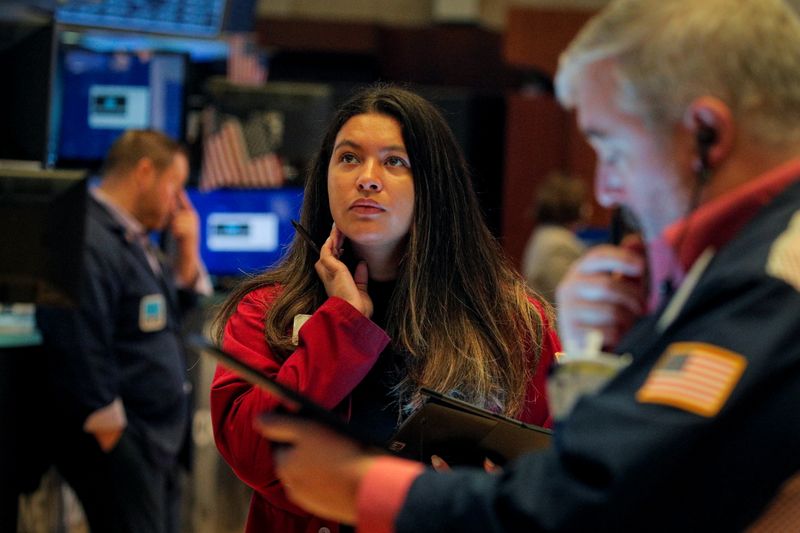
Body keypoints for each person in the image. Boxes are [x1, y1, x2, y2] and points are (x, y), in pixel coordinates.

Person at [252, 0, 800, 531]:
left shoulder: (777, 275)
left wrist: (364, 489)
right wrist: (603, 356)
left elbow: (609, 496)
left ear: (708, 132)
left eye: (613, 150)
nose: (608, 186)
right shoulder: (736, 263)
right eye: (349, 158)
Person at [209, 85, 561, 532]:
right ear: (325, 178)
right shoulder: (267, 311)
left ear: (435, 184)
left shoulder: (511, 320)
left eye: (395, 161)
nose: (367, 178)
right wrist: (342, 325)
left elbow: (553, 475)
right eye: (349, 158)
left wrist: (492, 494)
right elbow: (253, 456)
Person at [36, 130, 211, 533]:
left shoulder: (133, 239)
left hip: (154, 440)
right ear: (145, 172)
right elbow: (76, 336)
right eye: (176, 187)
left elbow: (156, 320)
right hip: (123, 438)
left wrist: (187, 256)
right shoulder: (86, 235)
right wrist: (110, 428)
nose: (178, 204)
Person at [520, 172, 588, 304]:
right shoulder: (559, 245)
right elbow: (573, 299)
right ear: (572, 205)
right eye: (583, 202)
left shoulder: (545, 234)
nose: (587, 209)